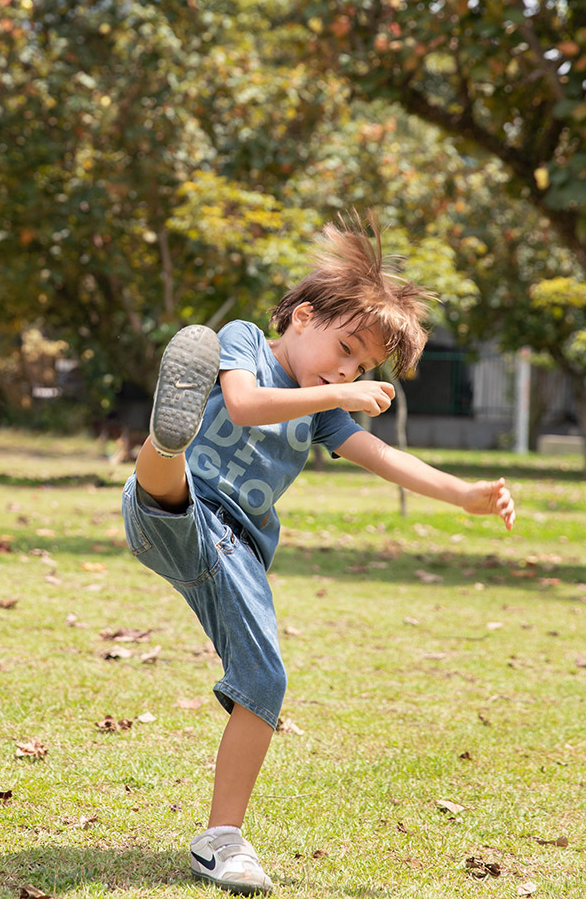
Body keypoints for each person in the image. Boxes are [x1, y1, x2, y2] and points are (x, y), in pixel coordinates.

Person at [121, 214, 515, 895]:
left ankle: (220, 840)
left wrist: (463, 495)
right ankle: (165, 441)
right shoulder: (244, 342)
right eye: (347, 348)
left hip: (234, 548)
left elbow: (384, 456)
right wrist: (341, 391)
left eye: (362, 365)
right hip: (175, 512)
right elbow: (242, 405)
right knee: (175, 492)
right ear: (302, 316)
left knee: (265, 681)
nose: (350, 369)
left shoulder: (324, 408)